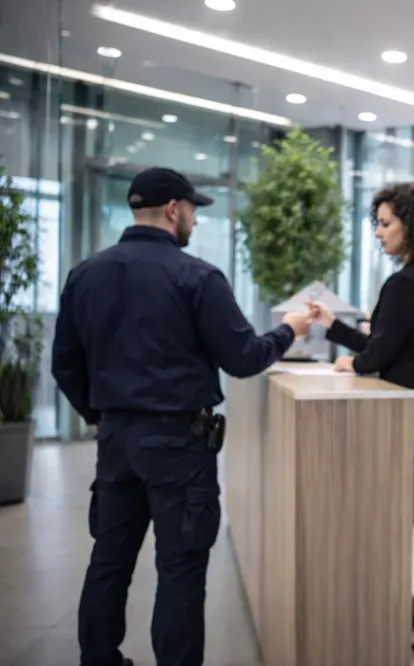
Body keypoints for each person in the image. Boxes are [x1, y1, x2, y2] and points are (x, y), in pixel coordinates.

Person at [51, 167, 312, 666]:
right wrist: (289, 331)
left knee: (109, 560)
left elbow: (65, 364)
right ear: (174, 210)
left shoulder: (85, 274)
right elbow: (243, 358)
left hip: (117, 444)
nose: (194, 219)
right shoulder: (197, 277)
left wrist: (100, 416)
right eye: (192, 209)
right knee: (180, 570)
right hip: (180, 448)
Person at [307, 182, 414, 658]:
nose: (378, 233)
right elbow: (388, 343)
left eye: (385, 224)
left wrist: (351, 363)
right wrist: (334, 326)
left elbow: (377, 353)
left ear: (410, 225)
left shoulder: (405, 283)